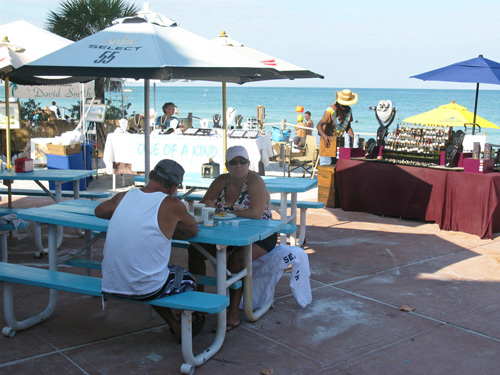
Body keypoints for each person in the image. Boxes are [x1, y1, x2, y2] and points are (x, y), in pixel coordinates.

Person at [95, 159, 200, 342]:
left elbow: (99, 211)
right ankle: (186, 326)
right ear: (174, 187)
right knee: (191, 279)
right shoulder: (173, 204)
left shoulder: (123, 197)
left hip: (112, 282)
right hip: (146, 286)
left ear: (150, 175)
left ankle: (174, 324)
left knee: (154, 273)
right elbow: (193, 231)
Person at [188, 145, 277, 331]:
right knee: (194, 248)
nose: (238, 166)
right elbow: (205, 201)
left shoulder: (255, 181)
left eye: (242, 161)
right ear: (227, 165)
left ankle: (233, 313)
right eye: (233, 162)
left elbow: (255, 213)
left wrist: (225, 212)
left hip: (261, 234)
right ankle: (198, 303)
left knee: (237, 257)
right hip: (228, 233)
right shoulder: (221, 180)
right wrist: (209, 204)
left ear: (248, 163)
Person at [316, 89, 358, 165]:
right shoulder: (330, 111)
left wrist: (353, 138)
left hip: (336, 140)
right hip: (325, 138)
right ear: (339, 103)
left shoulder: (348, 111)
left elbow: (348, 127)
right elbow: (319, 125)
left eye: (347, 105)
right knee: (327, 163)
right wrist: (325, 136)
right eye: (343, 105)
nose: (345, 107)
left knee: (336, 163)